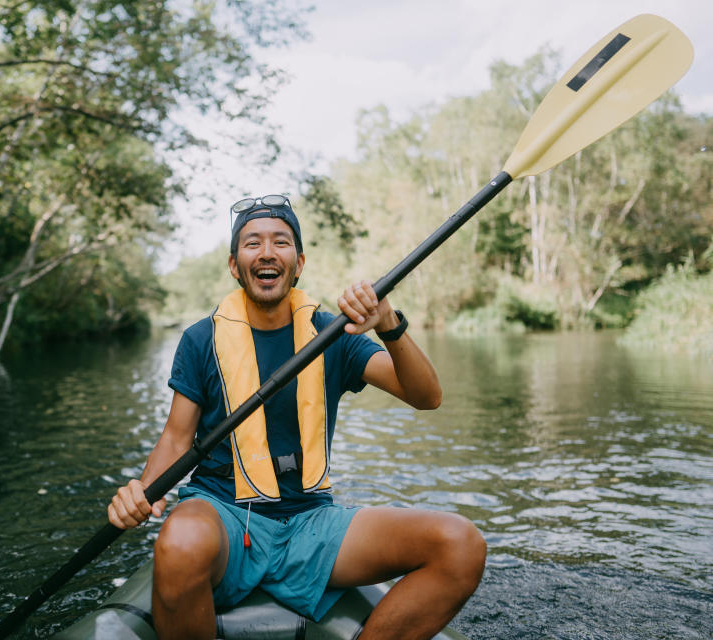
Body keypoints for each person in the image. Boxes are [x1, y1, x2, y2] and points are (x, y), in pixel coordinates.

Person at [108, 194, 486, 640]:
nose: (267, 252)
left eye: (280, 242)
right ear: (235, 265)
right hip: (224, 516)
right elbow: (175, 438)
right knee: (181, 539)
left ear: (299, 262)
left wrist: (387, 321)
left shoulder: (334, 333)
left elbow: (427, 396)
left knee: (460, 545)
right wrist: (144, 493)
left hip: (311, 524)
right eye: (252, 244)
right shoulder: (199, 340)